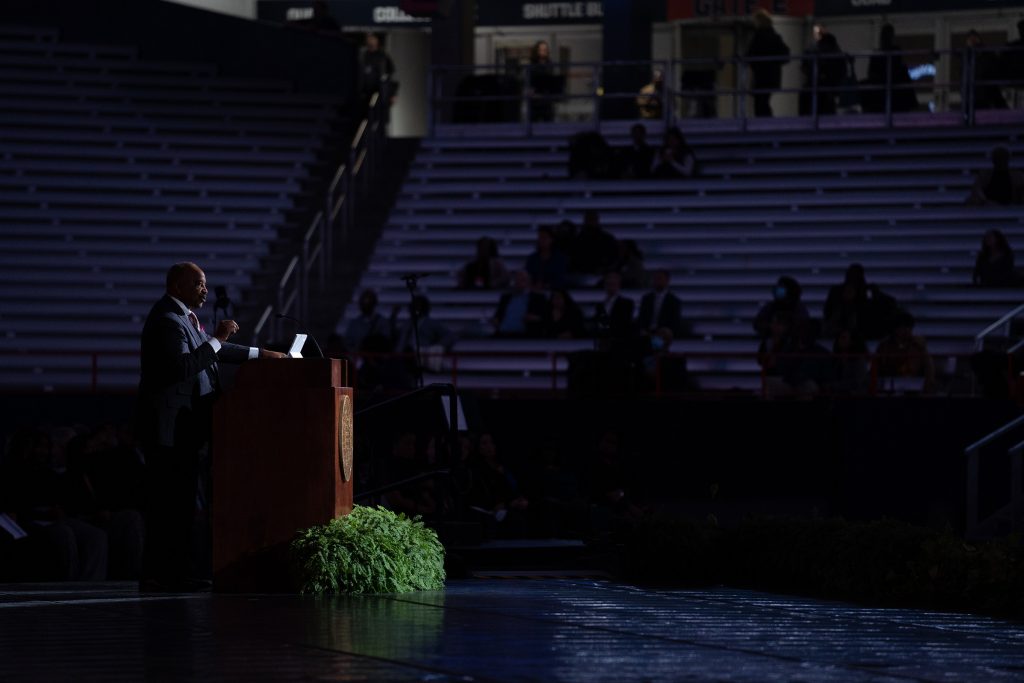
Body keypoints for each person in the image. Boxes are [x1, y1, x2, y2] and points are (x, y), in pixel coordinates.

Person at [137, 262, 286, 591]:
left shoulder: (183, 318)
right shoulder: (166, 320)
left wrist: (263, 354)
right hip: (169, 432)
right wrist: (217, 338)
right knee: (168, 506)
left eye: (205, 284)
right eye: (199, 283)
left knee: (182, 505)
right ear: (177, 285)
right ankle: (159, 576)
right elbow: (184, 366)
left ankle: (174, 574)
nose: (205, 289)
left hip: (185, 432)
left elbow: (216, 351)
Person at [822, 264, 899, 340]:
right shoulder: (837, 292)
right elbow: (828, 314)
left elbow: (888, 303)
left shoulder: (868, 291)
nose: (854, 281)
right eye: (852, 276)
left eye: (857, 277)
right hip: (840, 334)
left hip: (865, 332)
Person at [874, 311, 936, 393]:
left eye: (909, 327)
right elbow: (878, 368)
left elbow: (928, 368)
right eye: (903, 327)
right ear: (895, 328)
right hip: (890, 387)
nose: (907, 330)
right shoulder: (884, 346)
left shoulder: (918, 346)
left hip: (915, 388)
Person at [747, 9, 791, 117]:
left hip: (761, 75)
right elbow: (786, 55)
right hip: (771, 75)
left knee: (760, 102)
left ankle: (763, 122)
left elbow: (750, 54)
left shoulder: (759, 36)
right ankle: (767, 121)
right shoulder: (774, 36)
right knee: (764, 100)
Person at [863, 24, 917, 114]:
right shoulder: (885, 53)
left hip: (889, 88)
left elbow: (871, 72)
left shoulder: (887, 52)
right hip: (887, 88)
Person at [800, 31, 847, 116]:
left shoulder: (815, 53)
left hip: (816, 90)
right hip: (827, 91)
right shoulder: (836, 54)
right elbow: (841, 74)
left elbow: (805, 68)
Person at [492, 270, 547, 338]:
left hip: (524, 336)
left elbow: (546, 318)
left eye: (522, 280)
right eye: (517, 280)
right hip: (502, 334)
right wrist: (495, 320)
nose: (519, 282)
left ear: (529, 282)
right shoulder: (505, 298)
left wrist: (535, 318)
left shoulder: (538, 298)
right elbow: (497, 316)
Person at [636, 269, 687, 338]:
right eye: (655, 279)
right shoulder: (646, 299)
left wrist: (664, 332)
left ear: (667, 280)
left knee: (657, 343)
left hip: (663, 334)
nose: (657, 281)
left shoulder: (673, 301)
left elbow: (675, 322)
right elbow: (641, 317)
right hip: (646, 332)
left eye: (660, 278)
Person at [569, 210, 618, 279]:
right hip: (580, 277)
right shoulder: (576, 241)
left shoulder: (607, 240)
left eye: (592, 219)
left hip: (602, 277)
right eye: (589, 219)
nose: (591, 222)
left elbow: (613, 260)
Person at [965, 30, 1007, 110]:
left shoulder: (987, 54)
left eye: (974, 38)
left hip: (986, 87)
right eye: (970, 39)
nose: (972, 41)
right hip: (975, 90)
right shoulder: (967, 56)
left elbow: (994, 68)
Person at [593, 270, 635, 341]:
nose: (611, 285)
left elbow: (624, 325)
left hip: (619, 340)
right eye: (609, 283)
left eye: (613, 283)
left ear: (618, 285)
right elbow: (599, 324)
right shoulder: (600, 305)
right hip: (603, 341)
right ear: (605, 285)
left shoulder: (627, 303)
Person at [524, 225, 568, 290]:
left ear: (551, 240)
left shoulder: (560, 259)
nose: (541, 241)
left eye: (544, 238)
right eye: (540, 238)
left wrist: (546, 286)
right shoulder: (532, 259)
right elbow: (527, 277)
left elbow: (560, 279)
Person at [360, 33, 396, 111]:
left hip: (381, 91)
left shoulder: (383, 56)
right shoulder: (363, 56)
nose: (370, 41)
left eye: (372, 38)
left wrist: (392, 94)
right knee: (368, 112)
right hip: (366, 91)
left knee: (380, 114)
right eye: (368, 39)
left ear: (377, 40)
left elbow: (390, 74)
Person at [528, 40, 561, 122]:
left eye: (546, 49)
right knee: (533, 124)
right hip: (535, 100)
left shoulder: (550, 64)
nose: (544, 51)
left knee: (548, 123)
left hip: (547, 99)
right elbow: (530, 81)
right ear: (537, 51)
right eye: (542, 49)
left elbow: (551, 80)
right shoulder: (532, 65)